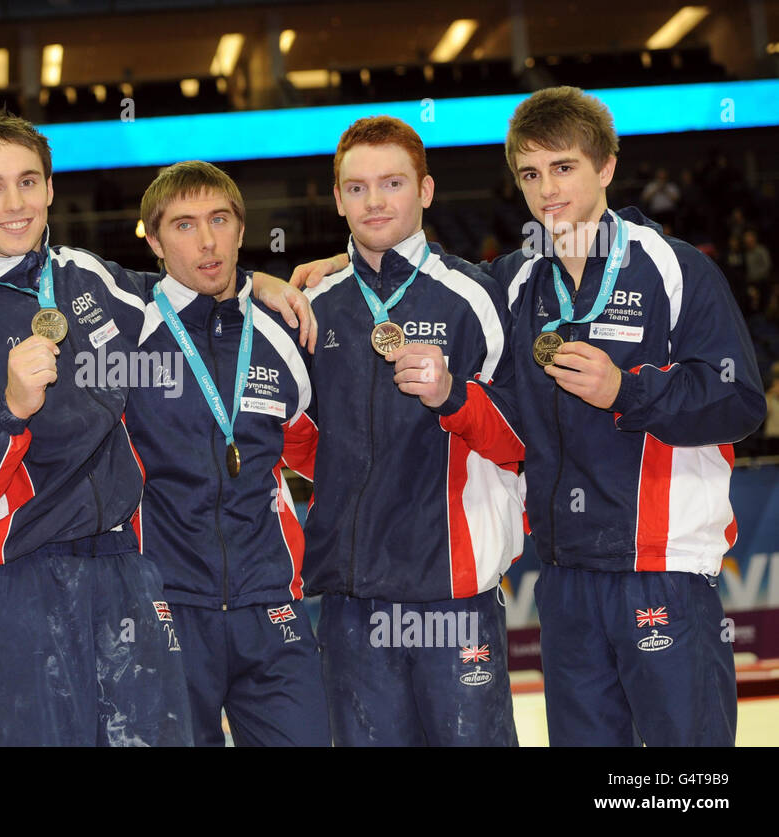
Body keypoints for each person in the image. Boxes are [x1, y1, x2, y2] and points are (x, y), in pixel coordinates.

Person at [297, 87, 766, 746]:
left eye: (564, 167)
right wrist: (342, 267)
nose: (547, 189)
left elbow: (740, 401)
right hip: (566, 572)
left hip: (662, 564)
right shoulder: (515, 282)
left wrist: (627, 390)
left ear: (605, 167)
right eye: (530, 173)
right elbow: (428, 285)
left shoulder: (674, 267)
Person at [0, 111, 313, 745]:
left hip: (126, 572)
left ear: (51, 188)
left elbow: (188, 283)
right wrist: (5, 411)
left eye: (28, 182)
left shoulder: (94, 278)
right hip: (15, 582)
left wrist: (262, 281)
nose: (14, 204)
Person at [300, 116, 522, 746]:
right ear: (338, 198)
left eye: (392, 183)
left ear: (425, 191)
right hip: (352, 594)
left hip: (452, 589)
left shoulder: (473, 297)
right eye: (358, 187)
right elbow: (304, 442)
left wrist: (454, 396)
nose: (375, 201)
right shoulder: (313, 306)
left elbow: (520, 442)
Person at [125, 161, 331, 746]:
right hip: (165, 607)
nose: (208, 241)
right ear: (156, 241)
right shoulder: (126, 328)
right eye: (184, 225)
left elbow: (316, 455)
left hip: (271, 604)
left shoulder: (286, 328)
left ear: (243, 231)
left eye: (220, 220)